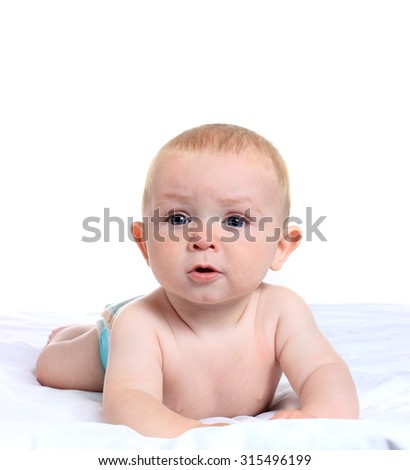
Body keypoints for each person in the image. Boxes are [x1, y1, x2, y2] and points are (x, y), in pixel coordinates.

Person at [36, 123, 359, 437]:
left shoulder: (282, 311)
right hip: (114, 345)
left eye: (235, 220)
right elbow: (127, 400)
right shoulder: (141, 324)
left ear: (279, 247)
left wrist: (319, 414)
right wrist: (190, 433)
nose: (203, 239)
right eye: (178, 218)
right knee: (52, 368)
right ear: (145, 243)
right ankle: (79, 333)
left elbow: (323, 370)